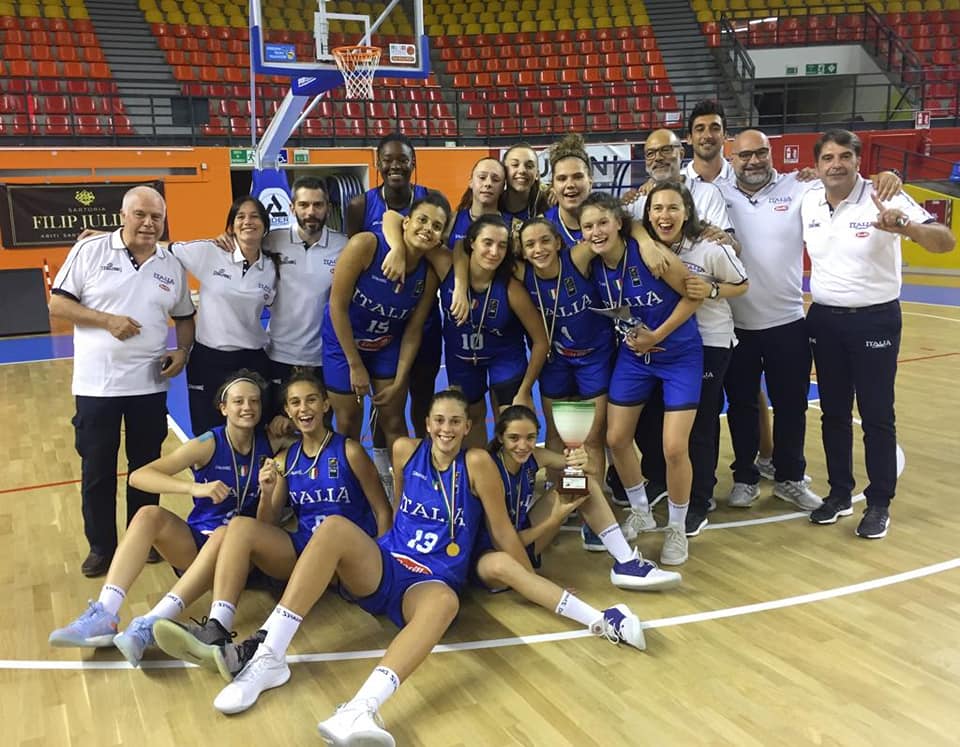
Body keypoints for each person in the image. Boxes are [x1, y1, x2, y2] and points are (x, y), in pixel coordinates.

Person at [195, 390, 534, 743]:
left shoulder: (476, 464)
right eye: (439, 420)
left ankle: (360, 709)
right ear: (427, 424)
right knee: (334, 528)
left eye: (454, 421)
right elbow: (397, 510)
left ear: (468, 427)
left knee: (446, 603)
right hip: (387, 566)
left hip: (429, 582)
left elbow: (501, 530)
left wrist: (529, 578)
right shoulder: (407, 451)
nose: (445, 428)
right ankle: (268, 656)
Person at [152, 369, 392, 678]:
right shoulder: (284, 460)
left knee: (332, 527)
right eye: (295, 403)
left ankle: (252, 645)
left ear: (325, 405)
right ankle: (218, 627)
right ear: (287, 411)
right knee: (241, 526)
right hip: (306, 553)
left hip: (350, 556)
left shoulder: (350, 451)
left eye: (311, 400)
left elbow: (382, 509)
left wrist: (382, 564)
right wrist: (266, 493)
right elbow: (265, 526)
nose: (303, 409)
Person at [717, 130, 903, 512]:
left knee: (791, 407)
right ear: (731, 158)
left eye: (761, 153)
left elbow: (844, 178)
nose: (753, 161)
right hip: (735, 322)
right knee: (741, 406)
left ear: (772, 154)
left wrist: (890, 176)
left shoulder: (801, 186)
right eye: (744, 155)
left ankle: (790, 477)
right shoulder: (716, 192)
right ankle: (745, 477)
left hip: (788, 321)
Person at [48, 372, 277, 665]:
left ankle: (149, 625)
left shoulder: (271, 443)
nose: (247, 407)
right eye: (238, 401)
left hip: (240, 555)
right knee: (148, 515)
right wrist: (193, 488)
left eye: (254, 401)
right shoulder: (208, 443)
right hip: (196, 546)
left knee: (228, 531)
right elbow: (139, 477)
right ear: (223, 408)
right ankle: (105, 613)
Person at [801, 129, 954, 539]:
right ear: (817, 165)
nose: (836, 164)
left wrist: (905, 226)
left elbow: (945, 241)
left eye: (844, 156)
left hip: (875, 320)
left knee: (876, 414)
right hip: (824, 320)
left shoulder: (884, 195)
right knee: (834, 413)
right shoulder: (808, 197)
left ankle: (879, 503)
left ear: (858, 160)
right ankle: (839, 494)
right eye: (828, 158)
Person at [49, 185, 196, 577]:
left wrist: (182, 351)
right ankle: (102, 547)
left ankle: (142, 537)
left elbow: (184, 317)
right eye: (140, 215)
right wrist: (107, 320)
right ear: (123, 216)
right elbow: (57, 303)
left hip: (149, 385)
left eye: (156, 217)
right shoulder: (90, 250)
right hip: (97, 387)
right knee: (97, 469)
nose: (148, 223)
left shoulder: (170, 264)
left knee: (146, 467)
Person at [585, 190, 702, 567]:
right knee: (616, 438)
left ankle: (678, 527)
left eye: (603, 222)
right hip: (635, 358)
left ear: (620, 223)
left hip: (678, 355)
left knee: (674, 448)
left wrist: (658, 335)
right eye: (588, 226)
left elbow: (694, 297)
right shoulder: (594, 266)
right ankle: (641, 511)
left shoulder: (651, 255)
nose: (596, 231)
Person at [476, 405, 680, 601]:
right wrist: (554, 519)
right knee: (510, 557)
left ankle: (626, 561)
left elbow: (590, 471)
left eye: (530, 438)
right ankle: (527, 580)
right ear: (500, 437)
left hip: (525, 541)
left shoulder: (535, 456)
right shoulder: (489, 468)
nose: (523, 446)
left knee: (582, 483)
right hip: (496, 555)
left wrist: (581, 459)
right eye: (514, 438)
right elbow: (505, 541)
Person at [321, 192, 447, 461]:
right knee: (348, 421)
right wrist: (355, 364)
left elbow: (413, 331)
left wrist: (401, 379)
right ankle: (351, 483)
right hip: (343, 342)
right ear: (406, 222)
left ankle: (403, 483)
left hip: (385, 344)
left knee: (394, 420)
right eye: (422, 220)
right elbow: (337, 306)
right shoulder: (366, 245)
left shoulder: (428, 275)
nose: (428, 229)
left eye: (436, 226)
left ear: (440, 238)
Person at [348, 133, 438, 479]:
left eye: (403, 159)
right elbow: (355, 256)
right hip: (378, 322)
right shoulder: (360, 205)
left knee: (421, 398)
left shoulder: (430, 200)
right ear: (377, 163)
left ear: (414, 163)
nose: (395, 165)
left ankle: (426, 468)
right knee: (385, 406)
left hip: (418, 318)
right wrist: (397, 250)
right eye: (388, 159)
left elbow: (442, 252)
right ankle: (383, 469)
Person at [665, 187, 750, 536]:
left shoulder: (710, 246)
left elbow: (742, 284)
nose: (665, 215)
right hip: (670, 344)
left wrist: (712, 290)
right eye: (657, 209)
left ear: (687, 211)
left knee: (701, 421)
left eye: (673, 208)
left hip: (710, 341)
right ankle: (672, 487)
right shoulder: (649, 246)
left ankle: (700, 499)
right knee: (671, 423)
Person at [170, 196, 278, 435]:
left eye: (255, 217)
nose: (247, 221)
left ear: (265, 226)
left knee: (255, 430)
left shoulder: (272, 268)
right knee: (207, 432)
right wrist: (112, 238)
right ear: (231, 226)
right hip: (208, 359)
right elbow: (162, 249)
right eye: (241, 217)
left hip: (252, 359)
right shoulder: (210, 252)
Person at [261, 177, 348, 422]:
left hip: (324, 357)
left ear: (327, 207)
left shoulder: (344, 246)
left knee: (319, 428)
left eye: (318, 205)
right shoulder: (271, 241)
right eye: (304, 205)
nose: (311, 212)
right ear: (292, 208)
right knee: (278, 429)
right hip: (279, 355)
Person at [543, 133, 593, 247]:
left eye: (578, 177)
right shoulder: (543, 226)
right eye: (562, 179)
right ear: (553, 186)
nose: (570, 185)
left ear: (590, 181)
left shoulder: (609, 221)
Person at [448, 156, 507, 249]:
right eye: (482, 177)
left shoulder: (513, 226)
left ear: (503, 187)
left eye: (495, 180)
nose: (488, 184)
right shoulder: (451, 220)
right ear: (471, 182)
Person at [499, 142, 550, 250]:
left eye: (529, 166)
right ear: (503, 171)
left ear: (537, 174)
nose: (522, 171)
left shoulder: (548, 204)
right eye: (515, 165)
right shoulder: (493, 204)